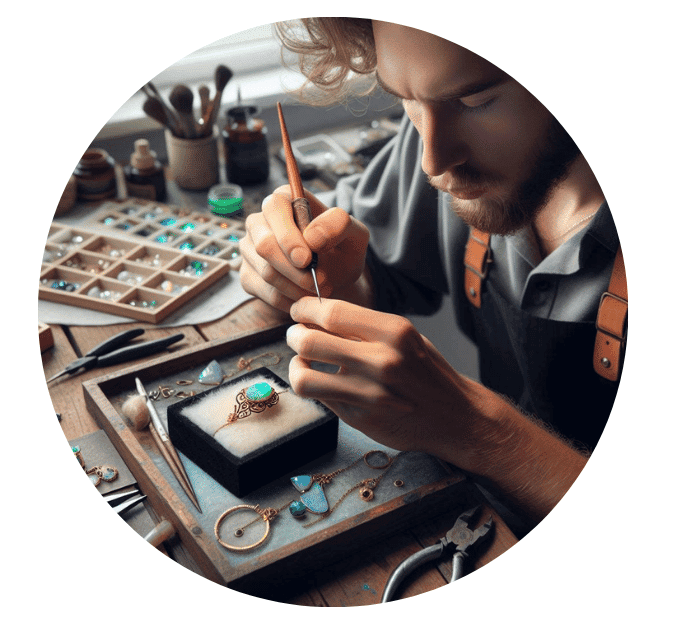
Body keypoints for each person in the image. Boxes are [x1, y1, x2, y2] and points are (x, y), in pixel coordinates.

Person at [238, 18, 626, 528]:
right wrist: (324, 275)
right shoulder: (442, 127)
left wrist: (477, 431)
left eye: (477, 101)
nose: (433, 162)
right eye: (405, 99)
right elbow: (371, 272)